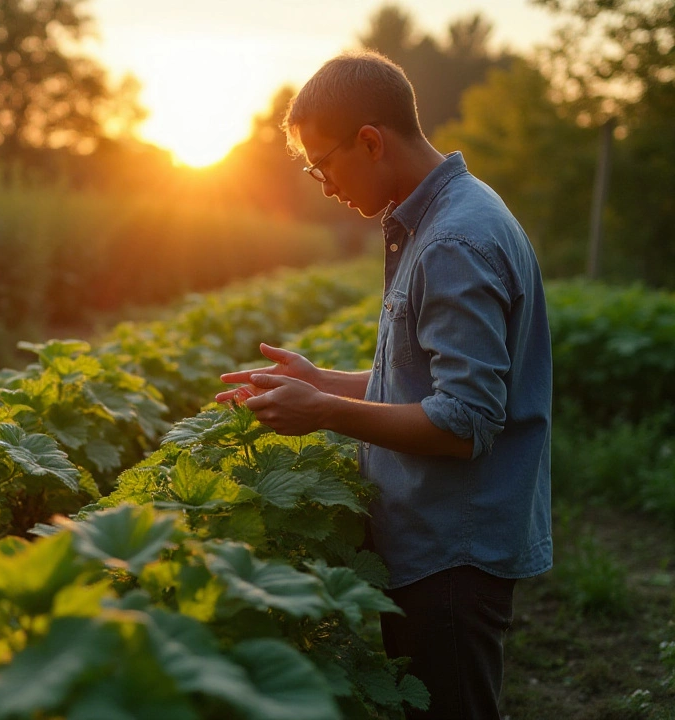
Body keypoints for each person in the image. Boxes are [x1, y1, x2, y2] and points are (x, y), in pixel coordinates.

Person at [217, 51, 552, 719]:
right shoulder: (441, 218)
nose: (322, 184)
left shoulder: (455, 240)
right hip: (436, 541)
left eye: (323, 164)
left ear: (370, 140)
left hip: (452, 551)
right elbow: (425, 377)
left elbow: (463, 423)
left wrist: (326, 412)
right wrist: (324, 381)